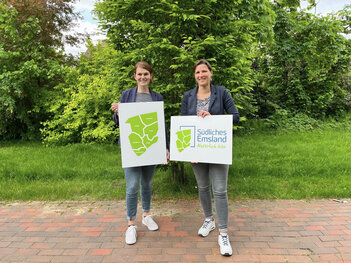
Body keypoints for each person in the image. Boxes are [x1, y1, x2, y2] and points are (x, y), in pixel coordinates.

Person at [180, 59, 240, 256]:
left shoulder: (222, 92)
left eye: (204, 71)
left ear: (211, 73)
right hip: (197, 150)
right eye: (197, 72)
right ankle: (208, 220)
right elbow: (183, 123)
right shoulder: (188, 96)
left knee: (220, 191)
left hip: (217, 148)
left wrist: (212, 119)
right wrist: (187, 150)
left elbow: (235, 116)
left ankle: (223, 233)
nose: (201, 75)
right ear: (194, 75)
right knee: (203, 187)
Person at [111, 61, 169, 245]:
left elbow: (161, 124)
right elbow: (120, 123)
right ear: (134, 76)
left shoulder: (157, 97)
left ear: (151, 77)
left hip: (151, 147)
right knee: (132, 186)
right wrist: (117, 112)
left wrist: (165, 147)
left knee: (147, 183)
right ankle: (130, 224)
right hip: (132, 148)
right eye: (139, 74)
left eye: (146, 74)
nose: (143, 77)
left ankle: (146, 215)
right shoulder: (127, 95)